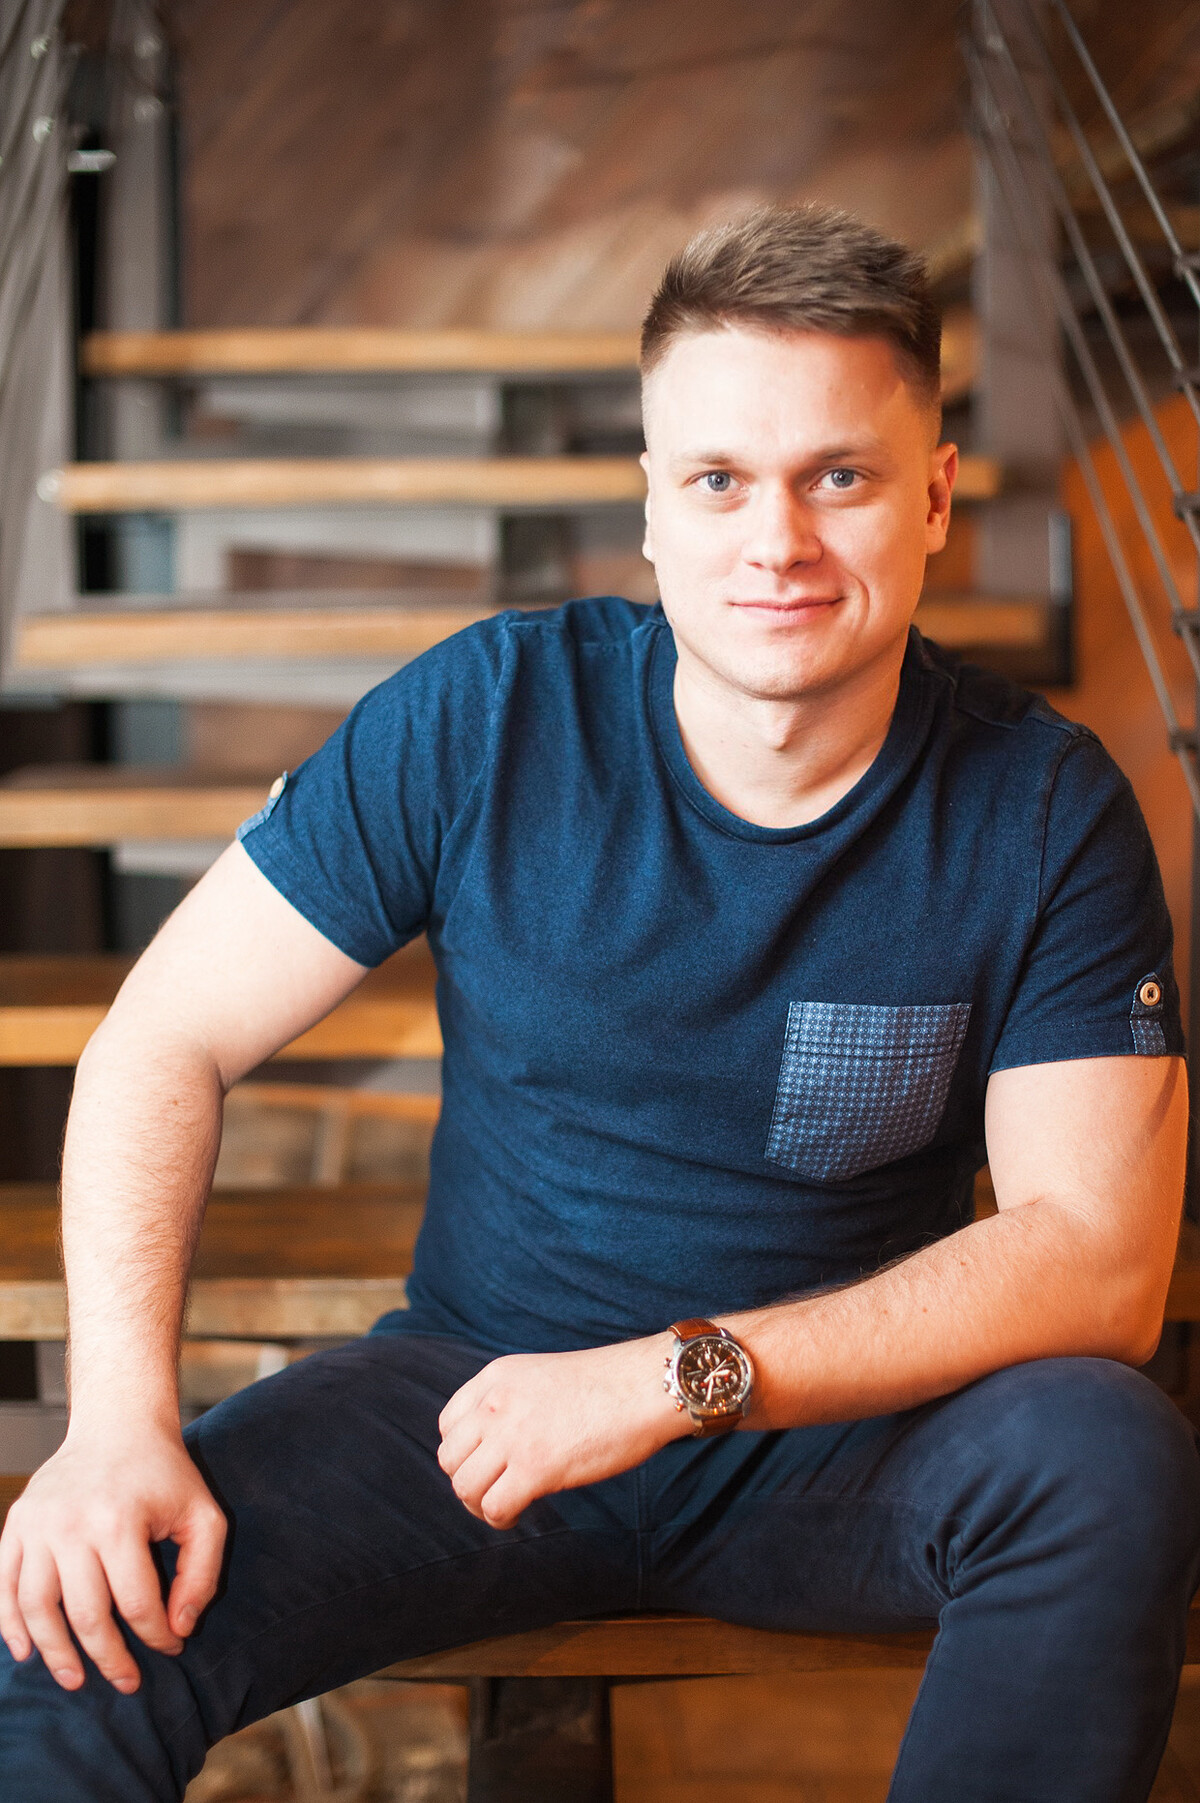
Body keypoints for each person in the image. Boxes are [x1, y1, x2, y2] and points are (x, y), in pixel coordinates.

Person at [0, 203, 1197, 1803]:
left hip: (834, 1435)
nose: (777, 541)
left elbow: (1101, 1262)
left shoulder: (1041, 808)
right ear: (650, 506)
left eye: (838, 477)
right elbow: (164, 1036)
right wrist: (115, 1426)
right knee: (75, 1624)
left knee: (1105, 1455)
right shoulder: (489, 718)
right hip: (471, 1410)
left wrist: (662, 1379)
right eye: (719, 480)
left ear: (931, 497)